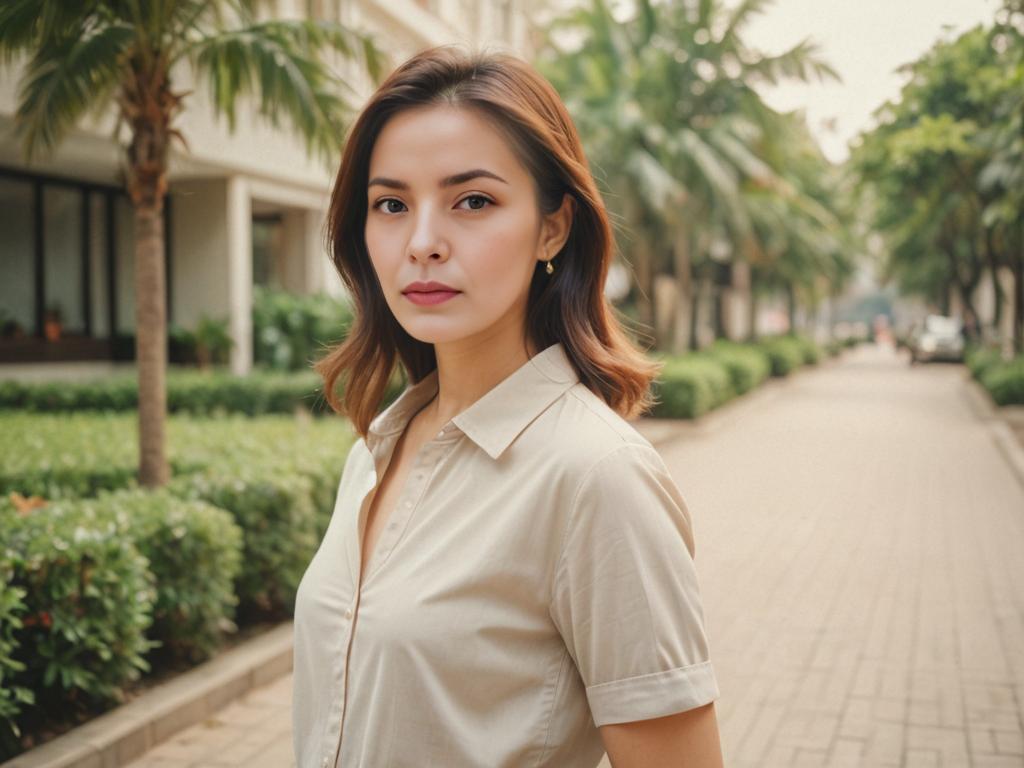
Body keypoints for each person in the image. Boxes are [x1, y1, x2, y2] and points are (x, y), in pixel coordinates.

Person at [293, 44, 723, 768]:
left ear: (552, 227)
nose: (422, 243)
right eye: (391, 204)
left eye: (473, 201)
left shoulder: (596, 478)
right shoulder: (374, 453)